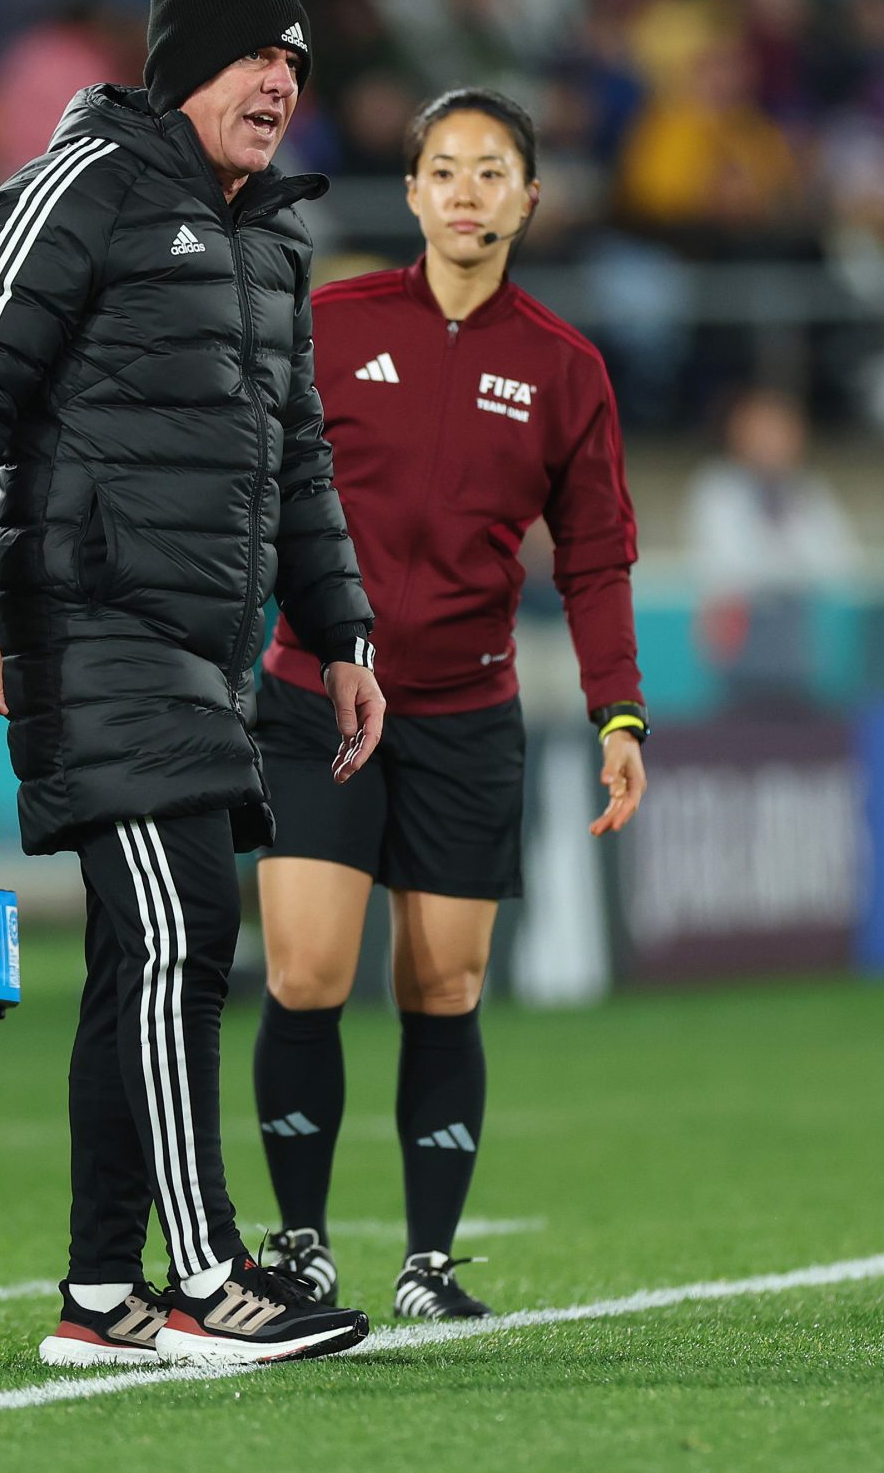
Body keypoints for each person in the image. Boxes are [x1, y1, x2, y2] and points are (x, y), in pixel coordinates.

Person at [0, 0, 383, 1368]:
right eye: (258, 60)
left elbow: (297, 455)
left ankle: (101, 1292)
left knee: (140, 957)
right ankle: (205, 1274)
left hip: (205, 649)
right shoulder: (80, 184)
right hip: (85, 623)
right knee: (183, 933)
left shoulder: (274, 237)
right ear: (188, 67)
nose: (282, 86)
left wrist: (342, 625)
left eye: (297, 68)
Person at [248, 87, 647, 1321]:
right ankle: (301, 1246)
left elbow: (593, 559)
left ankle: (426, 1264)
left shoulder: (565, 369)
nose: (466, 191)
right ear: (412, 192)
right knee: (309, 974)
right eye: (443, 169)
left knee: (445, 988)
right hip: (319, 699)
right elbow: (246, 495)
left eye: (491, 172)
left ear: (531, 199)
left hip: (468, 717)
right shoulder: (324, 327)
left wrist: (618, 717)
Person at [686, 387, 857, 708]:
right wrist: (788, 560)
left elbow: (837, 562)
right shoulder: (717, 490)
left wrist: (780, 557)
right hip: (737, 647)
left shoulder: (810, 493)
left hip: (798, 648)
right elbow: (730, 566)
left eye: (779, 432)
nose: (770, 443)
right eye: (760, 431)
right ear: (739, 435)